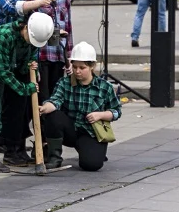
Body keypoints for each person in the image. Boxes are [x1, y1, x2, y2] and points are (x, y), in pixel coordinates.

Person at [0, 13, 54, 174]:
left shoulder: (33, 39)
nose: (30, 42)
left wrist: (30, 66)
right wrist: (26, 89)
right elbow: (5, 73)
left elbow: (26, 60)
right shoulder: (3, 36)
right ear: (25, 27)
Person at [0, 0, 53, 166]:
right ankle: (10, 149)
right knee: (13, 107)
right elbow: (15, 8)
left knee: (26, 106)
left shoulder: (29, 3)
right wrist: (39, 2)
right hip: (6, 59)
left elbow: (32, 34)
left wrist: (33, 61)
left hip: (22, 60)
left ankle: (18, 146)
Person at [38, 41, 122, 172]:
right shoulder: (64, 83)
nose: (77, 71)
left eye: (82, 68)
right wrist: (45, 107)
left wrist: (101, 115)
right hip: (70, 129)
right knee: (53, 116)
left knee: (91, 165)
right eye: (75, 67)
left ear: (92, 66)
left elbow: (117, 112)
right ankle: (54, 157)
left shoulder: (105, 87)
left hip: (90, 132)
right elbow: (55, 100)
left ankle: (90, 150)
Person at [24, 0, 72, 101]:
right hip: (41, 56)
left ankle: (52, 125)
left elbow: (69, 27)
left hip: (59, 55)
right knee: (42, 98)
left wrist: (69, 57)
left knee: (57, 98)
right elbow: (27, 29)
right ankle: (41, 126)